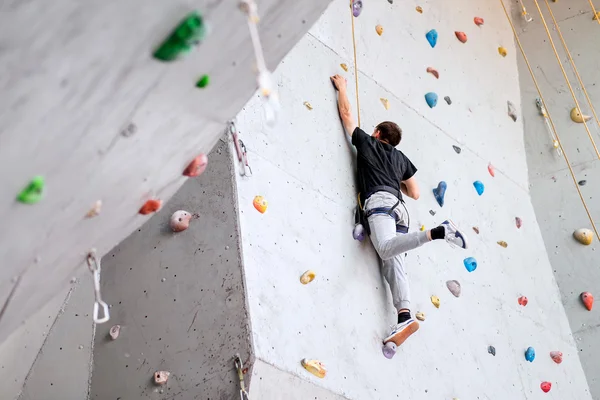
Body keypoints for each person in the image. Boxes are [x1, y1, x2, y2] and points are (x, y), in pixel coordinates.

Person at [330, 74, 469, 348]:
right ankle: (404, 315)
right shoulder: (400, 158)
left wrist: (343, 88)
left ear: (378, 134)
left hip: (380, 204)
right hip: (400, 208)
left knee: (384, 248)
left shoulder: (368, 143)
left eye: (374, 132)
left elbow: (346, 114)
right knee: (394, 262)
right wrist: (394, 181)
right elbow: (414, 192)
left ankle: (439, 231)